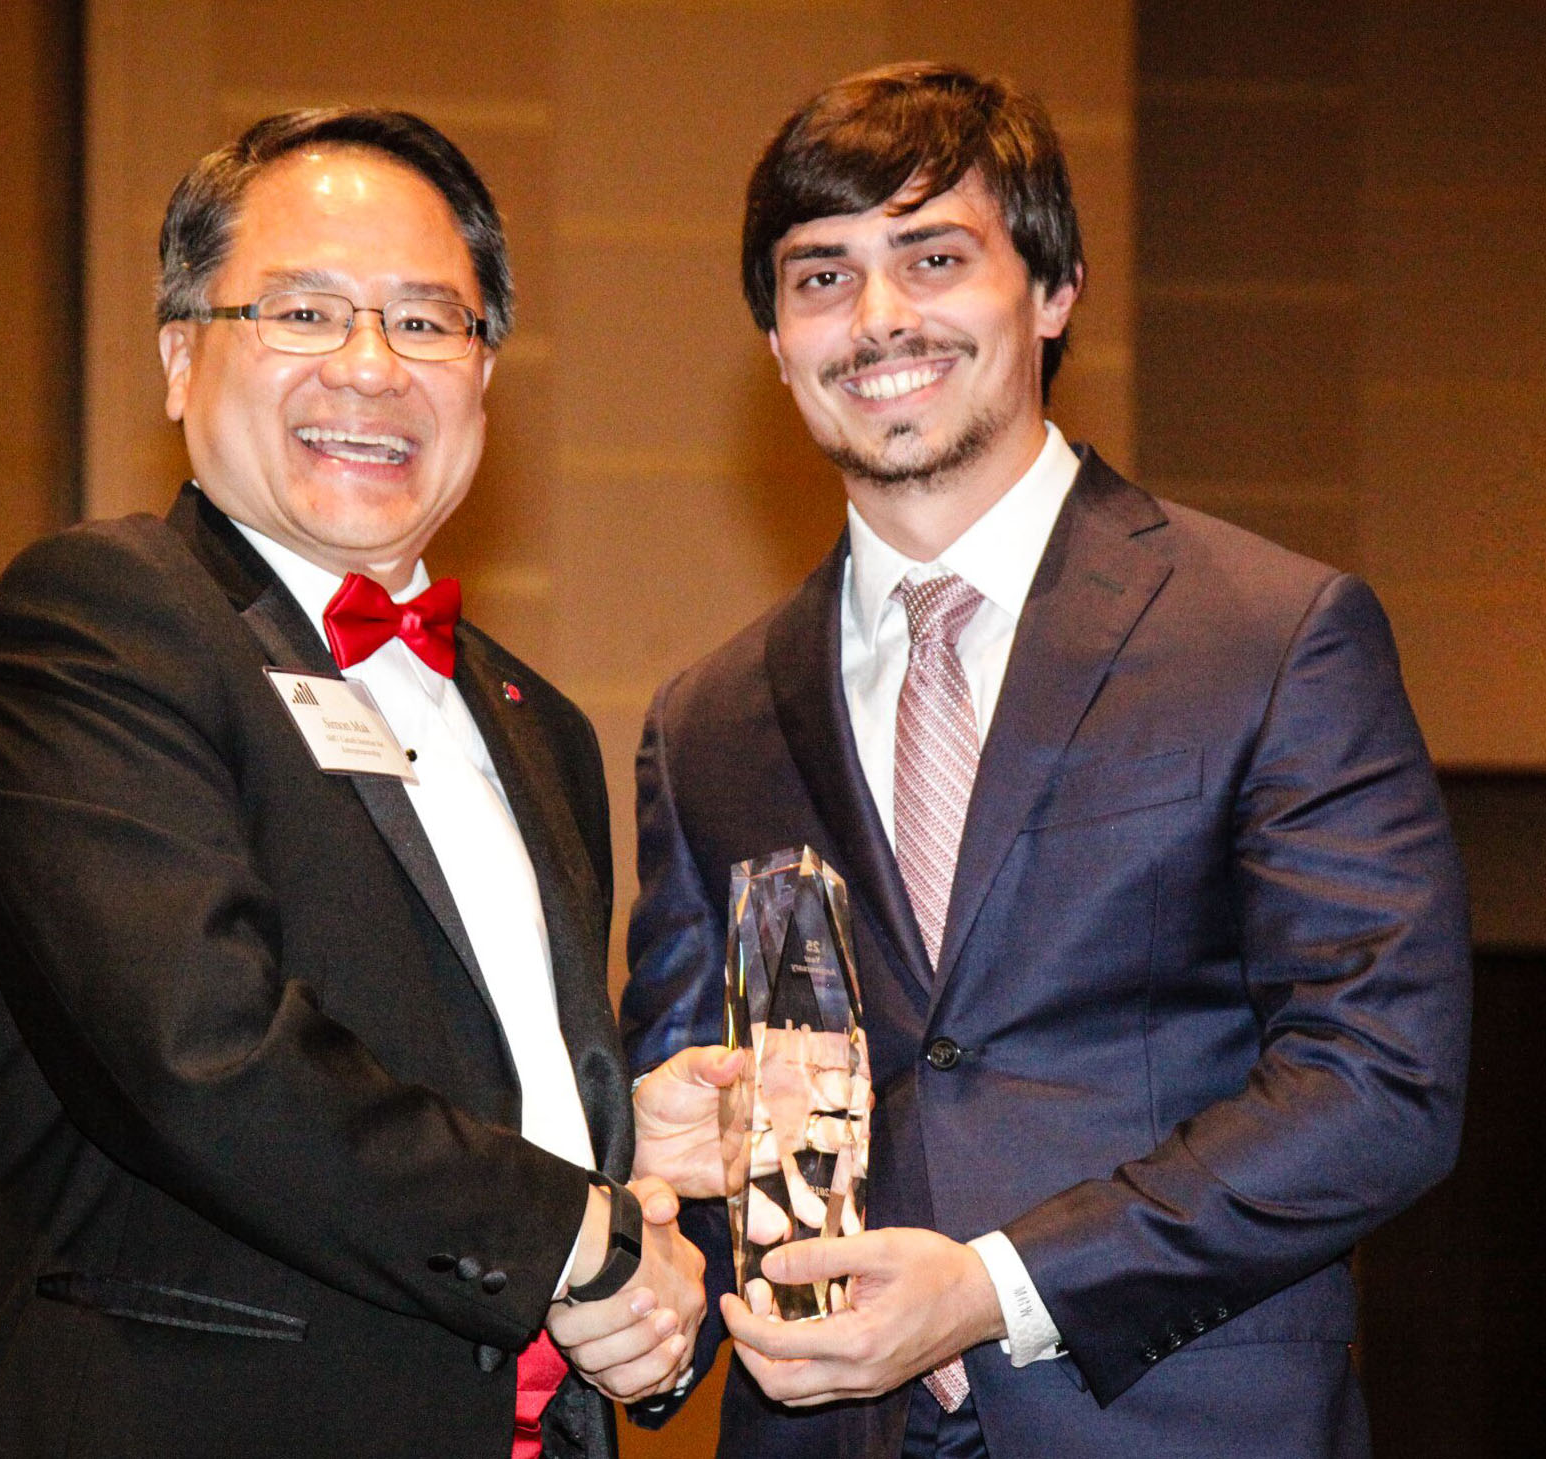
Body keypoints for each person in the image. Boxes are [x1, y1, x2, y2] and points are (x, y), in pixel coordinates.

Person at [621, 63, 1471, 1459]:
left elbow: (1382, 1080)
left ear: (1054, 288)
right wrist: (668, 1213)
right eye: (819, 277)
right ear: (774, 341)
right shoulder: (705, 718)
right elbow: (697, 1153)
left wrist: (998, 1286)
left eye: (934, 257)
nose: (876, 317)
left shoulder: (1269, 632)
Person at [0, 107, 717, 1459]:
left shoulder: (534, 721)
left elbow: (462, 1075)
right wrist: (580, 1239)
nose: (371, 370)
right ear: (181, 358)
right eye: (302, 312)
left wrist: (614, 1160)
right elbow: (200, 1055)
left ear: (483, 377)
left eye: (428, 323)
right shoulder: (102, 618)